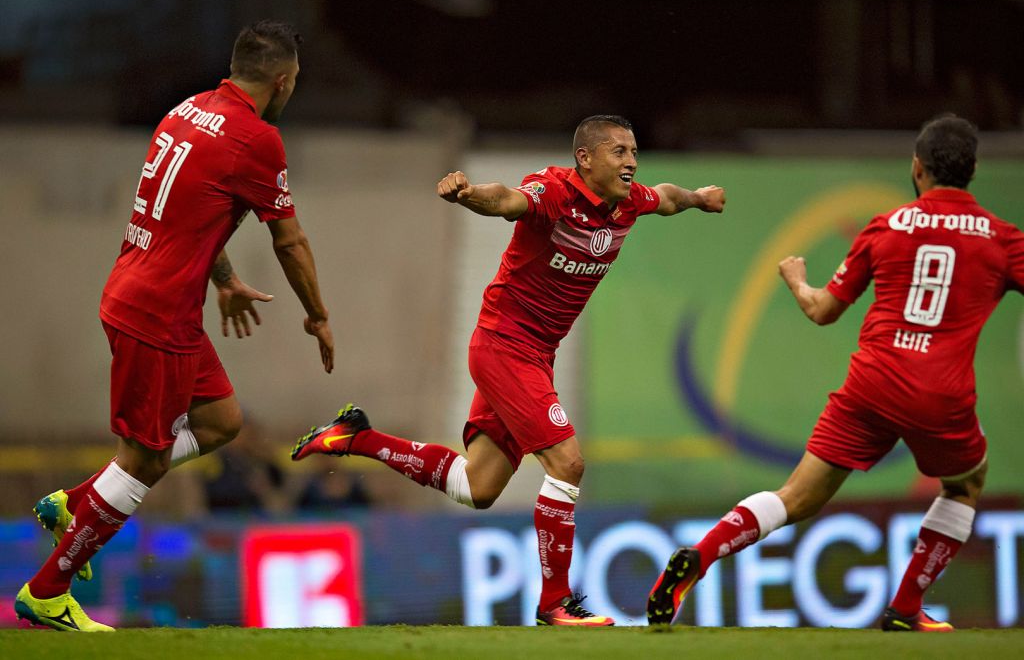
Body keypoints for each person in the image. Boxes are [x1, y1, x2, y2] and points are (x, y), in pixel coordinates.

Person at [292, 115, 725, 626]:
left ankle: (354, 438)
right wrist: (467, 193)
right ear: (585, 158)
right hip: (504, 346)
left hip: (535, 355)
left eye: (634, 151)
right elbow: (507, 200)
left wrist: (699, 196)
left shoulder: (629, 202)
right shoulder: (555, 193)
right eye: (618, 151)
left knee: (477, 488)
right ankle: (555, 603)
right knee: (568, 463)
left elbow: (667, 197)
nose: (631, 161)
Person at [15, 20, 334, 632]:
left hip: (150, 298)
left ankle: (76, 502)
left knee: (222, 422)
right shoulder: (257, 139)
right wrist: (317, 316)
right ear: (284, 79)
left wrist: (223, 280)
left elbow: (192, 210)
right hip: (155, 315)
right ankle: (47, 592)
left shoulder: (187, 110)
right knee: (145, 462)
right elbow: (290, 241)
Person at [647, 114, 1024, 632]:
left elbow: (823, 310)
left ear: (917, 169)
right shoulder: (1003, 238)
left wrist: (798, 280)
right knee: (964, 484)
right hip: (940, 392)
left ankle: (703, 555)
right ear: (974, 170)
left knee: (796, 496)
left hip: (871, 383)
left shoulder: (886, 226)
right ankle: (906, 608)